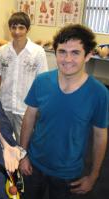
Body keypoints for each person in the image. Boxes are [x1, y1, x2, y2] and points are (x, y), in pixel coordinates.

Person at [19, 24, 108, 199]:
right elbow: (29, 118)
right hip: (34, 165)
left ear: (88, 55)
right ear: (55, 52)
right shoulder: (42, 81)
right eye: (62, 51)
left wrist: (94, 175)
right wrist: (23, 155)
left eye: (75, 52)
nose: (67, 59)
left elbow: (100, 136)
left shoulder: (99, 93)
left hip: (68, 174)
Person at [0, 12, 48, 144]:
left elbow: (42, 81)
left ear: (28, 29)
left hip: (25, 108)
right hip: (5, 105)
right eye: (13, 27)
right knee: (4, 142)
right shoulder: (3, 51)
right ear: (9, 28)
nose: (17, 32)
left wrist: (39, 106)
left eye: (21, 28)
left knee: (24, 144)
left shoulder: (38, 52)